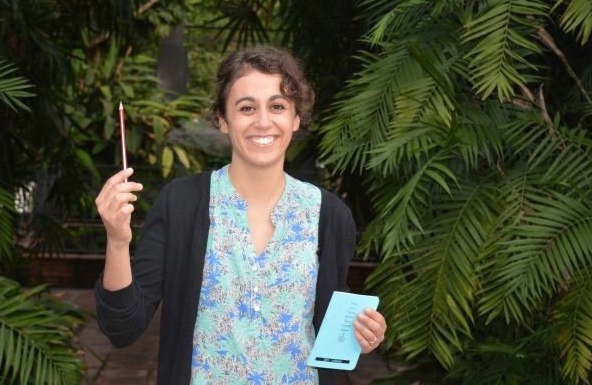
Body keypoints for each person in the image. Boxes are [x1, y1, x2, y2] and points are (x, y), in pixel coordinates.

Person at [94, 46, 387, 385]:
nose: (263, 121)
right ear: (223, 119)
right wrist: (117, 241)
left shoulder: (330, 216)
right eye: (246, 108)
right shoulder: (181, 204)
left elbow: (332, 329)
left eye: (277, 106)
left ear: (295, 119)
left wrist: (362, 334)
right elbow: (122, 327)